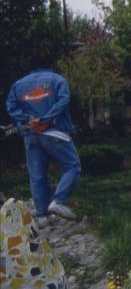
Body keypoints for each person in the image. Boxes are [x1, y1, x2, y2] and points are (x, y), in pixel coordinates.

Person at [6, 64, 80, 226]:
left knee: (37, 175)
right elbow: (63, 100)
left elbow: (11, 107)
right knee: (72, 166)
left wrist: (29, 120)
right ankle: (59, 201)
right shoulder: (57, 79)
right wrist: (46, 119)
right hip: (55, 133)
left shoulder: (18, 85)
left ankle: (42, 216)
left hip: (31, 135)